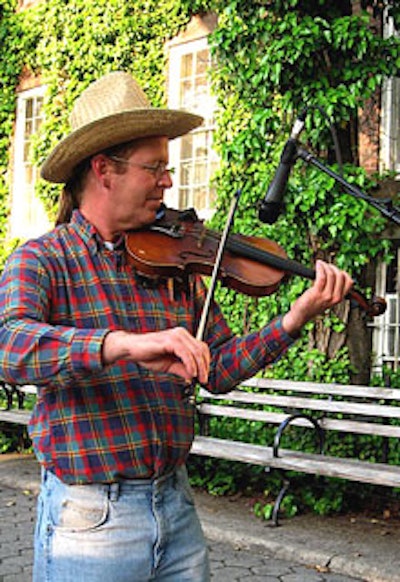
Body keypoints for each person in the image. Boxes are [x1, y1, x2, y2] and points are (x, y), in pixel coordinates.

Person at [0, 71, 353, 582]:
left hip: (176, 507)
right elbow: (9, 347)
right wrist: (123, 345)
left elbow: (220, 367)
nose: (169, 181)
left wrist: (294, 317)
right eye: (156, 168)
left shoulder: (173, 264)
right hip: (92, 520)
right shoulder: (44, 259)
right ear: (104, 170)